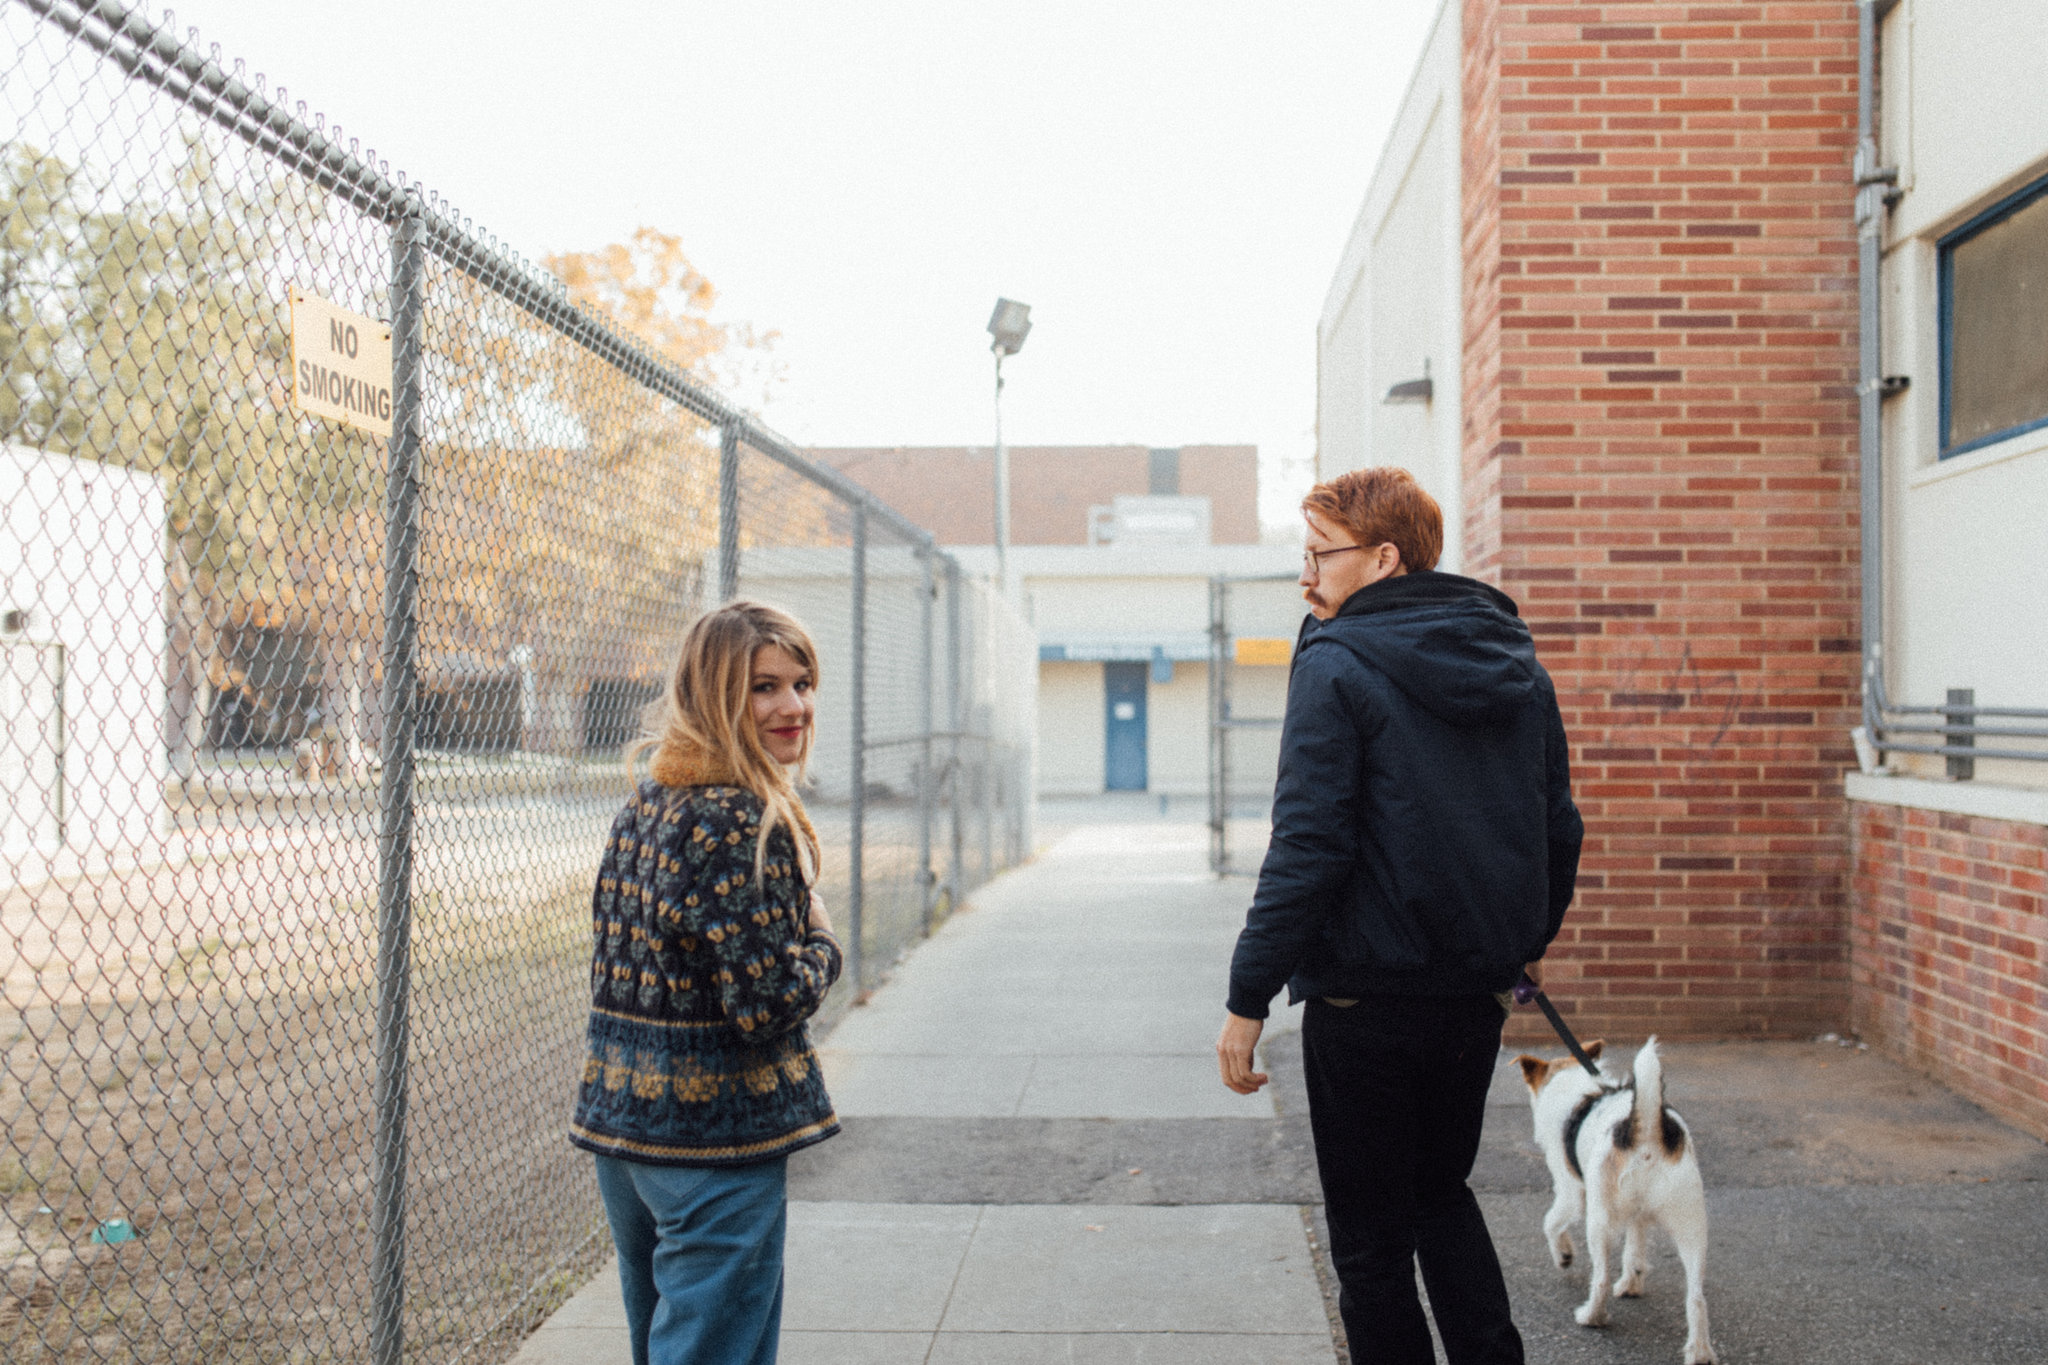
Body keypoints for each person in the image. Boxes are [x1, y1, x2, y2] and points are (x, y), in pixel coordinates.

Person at [1217, 467, 1583, 1365]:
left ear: (1383, 558)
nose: (1306, 577)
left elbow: (1308, 846)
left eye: (1320, 555)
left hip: (1364, 1000)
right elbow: (1558, 827)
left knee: (1372, 1242)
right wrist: (1518, 945)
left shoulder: (1338, 663)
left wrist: (1246, 996)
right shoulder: (1515, 662)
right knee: (1439, 1194)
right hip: (1473, 992)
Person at [569, 601, 843, 1365]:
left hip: (627, 1131)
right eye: (764, 687)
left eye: (802, 682)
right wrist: (822, 939)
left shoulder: (649, 802)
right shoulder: (736, 819)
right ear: (715, 695)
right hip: (710, 1137)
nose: (793, 706)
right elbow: (764, 1004)